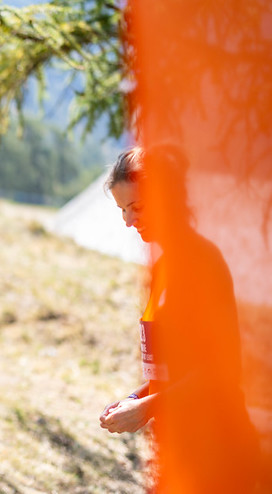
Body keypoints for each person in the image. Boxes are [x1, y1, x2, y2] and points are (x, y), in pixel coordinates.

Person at [99, 145, 260, 492]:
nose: (128, 220)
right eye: (123, 210)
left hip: (219, 451)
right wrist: (135, 399)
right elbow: (177, 368)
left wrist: (148, 407)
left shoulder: (202, 262)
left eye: (137, 207)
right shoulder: (163, 267)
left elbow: (221, 368)